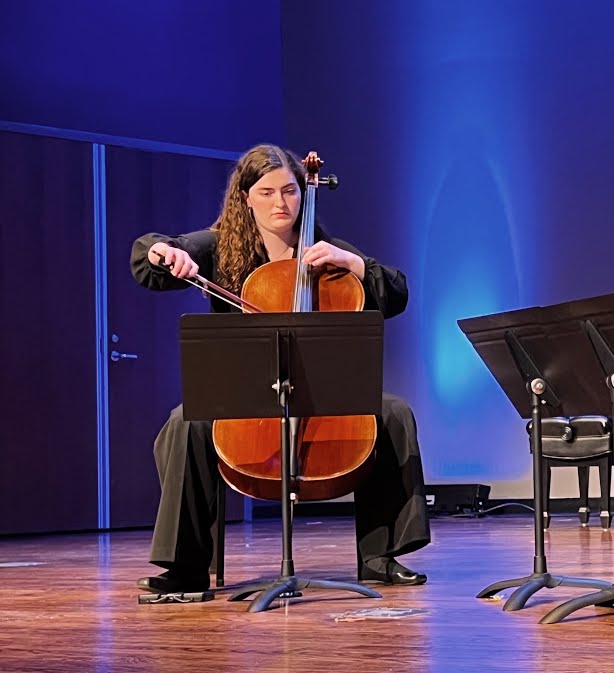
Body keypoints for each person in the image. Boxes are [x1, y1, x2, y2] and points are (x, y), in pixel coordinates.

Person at [131, 144, 430, 594]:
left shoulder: (325, 253)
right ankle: (185, 567)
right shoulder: (218, 247)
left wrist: (356, 266)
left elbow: (398, 293)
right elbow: (149, 255)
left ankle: (380, 557)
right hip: (246, 394)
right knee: (183, 424)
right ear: (246, 197)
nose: (280, 203)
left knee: (393, 413)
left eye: (289, 191)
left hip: (321, 390)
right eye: (267, 192)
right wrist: (161, 253)